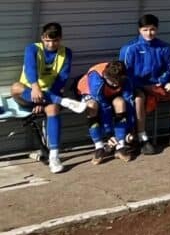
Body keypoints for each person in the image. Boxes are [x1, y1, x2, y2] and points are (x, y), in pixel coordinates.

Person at [9, 23, 87, 174]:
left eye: (55, 41)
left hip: (49, 95)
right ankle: (63, 101)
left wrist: (42, 100)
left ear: (60, 38)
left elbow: (62, 79)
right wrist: (35, 87)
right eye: (47, 41)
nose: (51, 44)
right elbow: (30, 68)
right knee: (15, 87)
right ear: (42, 38)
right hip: (28, 93)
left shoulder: (66, 53)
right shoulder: (32, 49)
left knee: (53, 109)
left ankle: (54, 156)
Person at [120, 14, 170, 155]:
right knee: (139, 99)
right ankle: (142, 138)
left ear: (157, 29)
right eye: (145, 30)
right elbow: (125, 74)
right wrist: (145, 87)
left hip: (158, 83)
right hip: (138, 86)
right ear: (139, 30)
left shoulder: (164, 47)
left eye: (152, 29)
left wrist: (161, 81)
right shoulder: (129, 48)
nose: (149, 33)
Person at [77, 60, 134, 165]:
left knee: (121, 103)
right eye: (112, 81)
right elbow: (104, 107)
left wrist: (130, 128)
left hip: (109, 94)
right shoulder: (96, 79)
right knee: (92, 106)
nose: (114, 83)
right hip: (89, 92)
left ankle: (120, 146)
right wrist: (109, 134)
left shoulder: (125, 78)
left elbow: (129, 101)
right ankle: (99, 147)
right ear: (105, 75)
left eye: (117, 81)